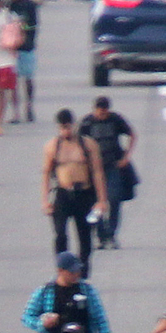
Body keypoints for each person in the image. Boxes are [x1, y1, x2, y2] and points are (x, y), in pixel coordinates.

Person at [43, 109, 109, 274]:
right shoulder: (53, 146)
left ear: (74, 125)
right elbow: (46, 173)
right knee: (60, 235)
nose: (66, 131)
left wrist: (101, 200)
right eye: (62, 128)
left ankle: (82, 271)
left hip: (84, 194)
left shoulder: (88, 145)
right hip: (63, 194)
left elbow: (97, 172)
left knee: (85, 236)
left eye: (68, 127)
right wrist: (45, 201)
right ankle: (63, 270)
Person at [83, 97, 137, 251]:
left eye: (104, 111)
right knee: (95, 202)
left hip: (113, 166)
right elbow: (79, 143)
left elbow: (132, 135)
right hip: (94, 169)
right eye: (99, 111)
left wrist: (126, 157)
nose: (102, 114)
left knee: (114, 199)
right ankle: (101, 236)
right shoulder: (87, 123)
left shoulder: (115, 119)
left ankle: (112, 234)